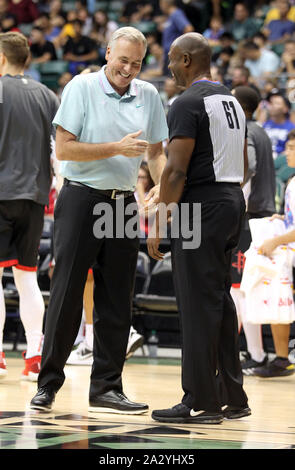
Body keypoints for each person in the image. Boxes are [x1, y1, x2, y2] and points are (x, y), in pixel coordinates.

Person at [30, 26, 168, 414]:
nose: (128, 69)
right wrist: (118, 148)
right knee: (67, 293)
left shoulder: (150, 95)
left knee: (117, 298)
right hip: (80, 198)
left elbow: (155, 152)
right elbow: (65, 149)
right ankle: (48, 384)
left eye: (137, 63)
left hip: (123, 203)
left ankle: (107, 387)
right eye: (123, 60)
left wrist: (163, 186)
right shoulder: (81, 88)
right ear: (108, 53)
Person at [147, 32, 250, 424]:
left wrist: (160, 220)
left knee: (195, 303)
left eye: (172, 59)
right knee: (219, 302)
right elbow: (241, 165)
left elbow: (175, 169)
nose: (169, 66)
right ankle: (233, 397)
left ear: (187, 60)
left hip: (202, 207)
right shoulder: (233, 101)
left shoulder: (186, 102)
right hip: (229, 202)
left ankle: (201, 401)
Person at [0, 32, 59, 380]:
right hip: (35, 197)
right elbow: (59, 152)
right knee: (26, 278)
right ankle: (35, 356)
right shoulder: (47, 95)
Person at [230, 86, 276, 376]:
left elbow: (249, 168)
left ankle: (256, 354)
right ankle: (255, 353)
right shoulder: (261, 130)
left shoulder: (245, 131)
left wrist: (234, 203)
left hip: (250, 218)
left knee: (241, 289)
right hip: (263, 216)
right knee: (248, 289)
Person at [241, 130, 295, 378]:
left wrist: (275, 240)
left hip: (286, 247)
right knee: (279, 302)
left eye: (293, 148)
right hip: (289, 253)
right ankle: (282, 359)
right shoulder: (291, 182)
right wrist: (283, 218)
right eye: (288, 147)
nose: (288, 153)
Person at [159, 0, 194, 75]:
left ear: (164, 3)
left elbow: (189, 29)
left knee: (173, 83)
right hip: (168, 56)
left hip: (175, 56)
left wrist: (180, 50)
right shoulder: (170, 16)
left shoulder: (176, 14)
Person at [263, 92, 295, 159]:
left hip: (281, 161)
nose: (272, 106)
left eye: (277, 103)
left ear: (285, 109)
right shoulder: (265, 125)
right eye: (271, 103)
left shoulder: (291, 128)